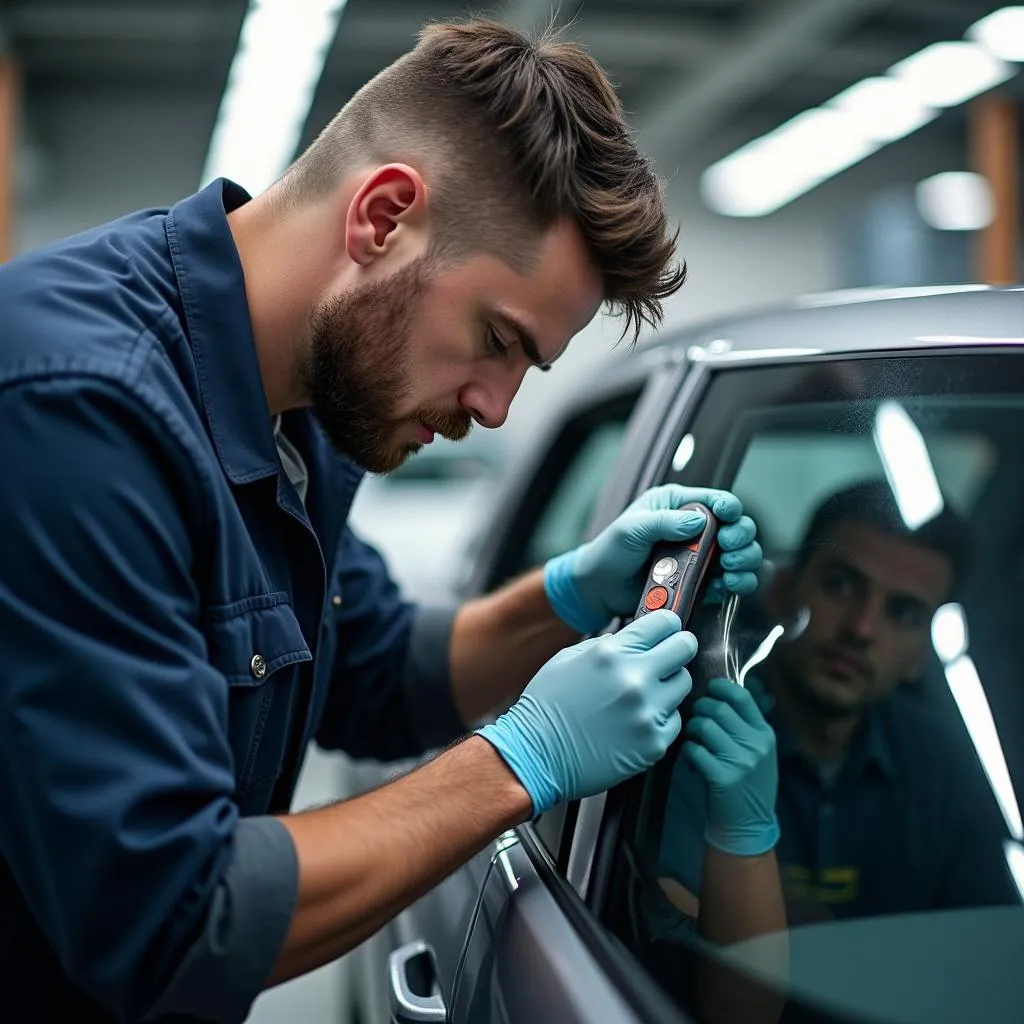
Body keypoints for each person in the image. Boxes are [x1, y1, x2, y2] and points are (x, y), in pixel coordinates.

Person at [0, 20, 764, 1024]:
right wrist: (519, 761)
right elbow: (169, 913)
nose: (494, 408)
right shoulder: (73, 408)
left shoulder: (305, 406)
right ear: (384, 216)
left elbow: (377, 671)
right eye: (496, 340)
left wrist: (569, 593)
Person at [659, 480, 1018, 934]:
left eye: (903, 613)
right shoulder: (695, 735)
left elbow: (989, 945)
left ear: (920, 655)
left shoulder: (945, 764)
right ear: (782, 592)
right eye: (841, 585)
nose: (862, 628)